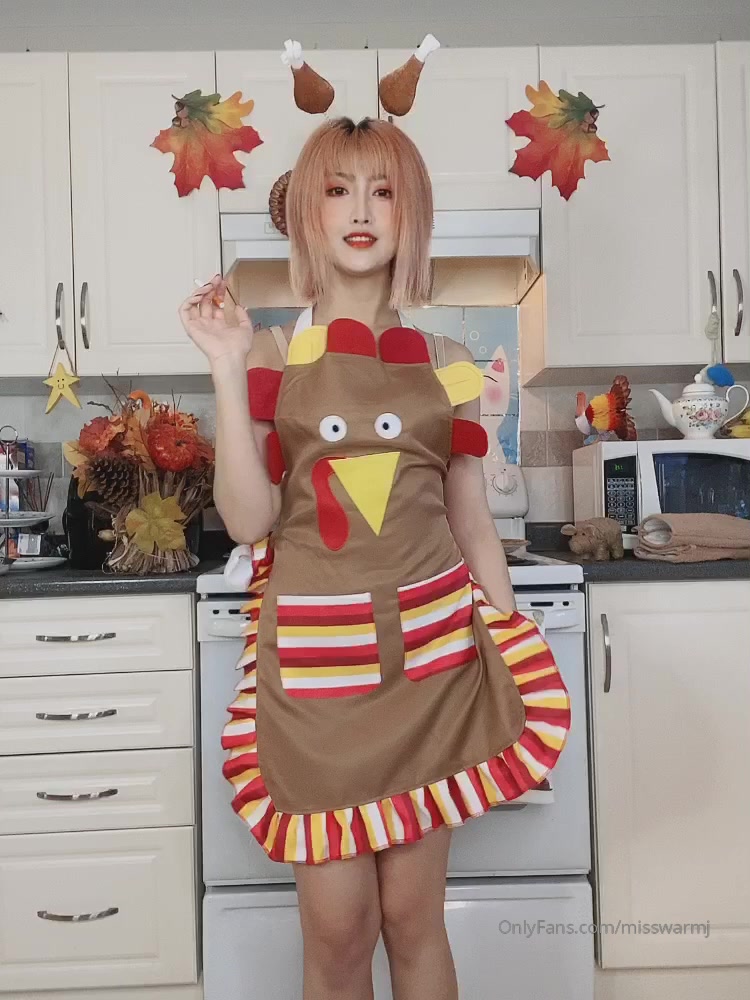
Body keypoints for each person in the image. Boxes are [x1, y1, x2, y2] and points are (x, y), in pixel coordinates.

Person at [179, 117, 569, 1000]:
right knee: (338, 931)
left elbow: (472, 524)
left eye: (383, 191)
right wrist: (226, 369)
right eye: (338, 189)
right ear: (307, 215)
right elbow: (248, 520)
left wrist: (509, 644)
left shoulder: (449, 361)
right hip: (317, 679)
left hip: (430, 664)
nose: (361, 211)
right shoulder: (269, 352)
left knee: (413, 918)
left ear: (411, 213)